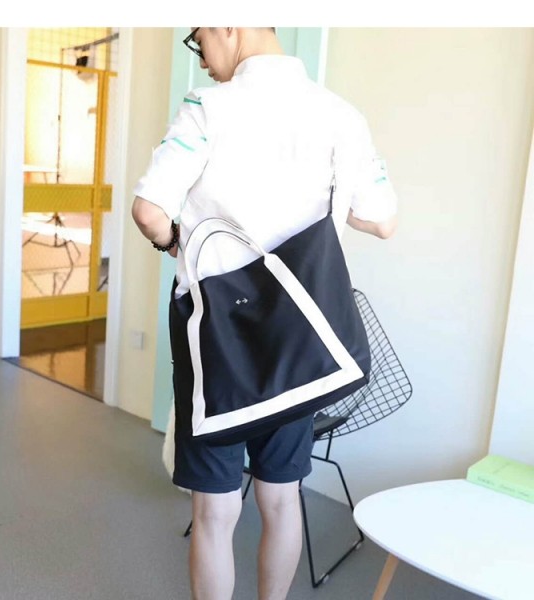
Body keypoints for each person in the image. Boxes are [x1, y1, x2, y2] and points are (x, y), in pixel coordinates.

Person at [132, 27, 398, 600]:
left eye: (198, 38)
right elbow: (382, 219)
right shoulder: (341, 115)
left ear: (229, 24)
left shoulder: (208, 107)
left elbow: (150, 211)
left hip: (218, 340)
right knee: (281, 499)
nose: (202, 57)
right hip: (299, 338)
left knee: (215, 512)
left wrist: (174, 240)